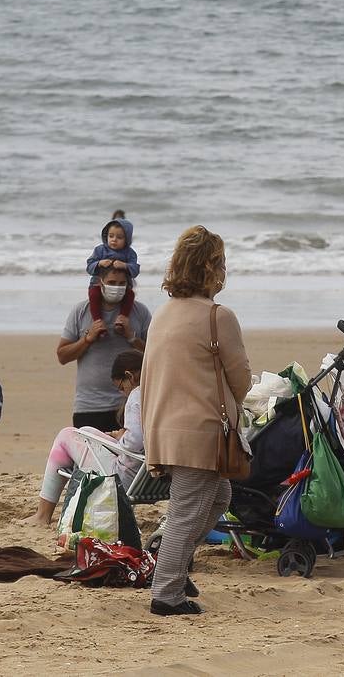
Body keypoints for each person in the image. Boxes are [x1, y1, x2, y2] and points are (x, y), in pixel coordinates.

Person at [141, 226, 252, 616]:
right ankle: (166, 592)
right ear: (211, 267)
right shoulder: (218, 317)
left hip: (164, 427)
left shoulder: (162, 314)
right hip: (201, 431)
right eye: (222, 263)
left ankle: (171, 563)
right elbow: (241, 378)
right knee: (186, 512)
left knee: (219, 498)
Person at [25, 349, 145, 526]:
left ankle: (42, 515)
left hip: (124, 476)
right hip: (146, 473)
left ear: (130, 376)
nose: (123, 393)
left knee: (65, 435)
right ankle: (43, 513)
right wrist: (122, 436)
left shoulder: (137, 395)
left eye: (121, 387)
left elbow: (134, 441)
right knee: (85, 431)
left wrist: (122, 437)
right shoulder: (157, 392)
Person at [58, 266, 150, 431]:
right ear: (100, 283)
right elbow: (62, 356)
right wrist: (87, 339)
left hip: (130, 404)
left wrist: (132, 337)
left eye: (122, 283)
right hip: (89, 406)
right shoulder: (81, 311)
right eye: (112, 282)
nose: (117, 288)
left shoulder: (140, 312)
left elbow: (154, 355)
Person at [86, 215, 139, 323]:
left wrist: (125, 265)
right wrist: (99, 263)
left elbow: (135, 270)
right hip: (99, 283)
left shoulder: (130, 253)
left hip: (122, 286)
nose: (114, 239)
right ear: (106, 236)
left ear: (127, 239)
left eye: (119, 237)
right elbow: (89, 266)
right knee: (94, 294)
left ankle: (122, 318)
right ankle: (97, 320)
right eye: (111, 236)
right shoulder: (100, 250)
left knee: (130, 295)